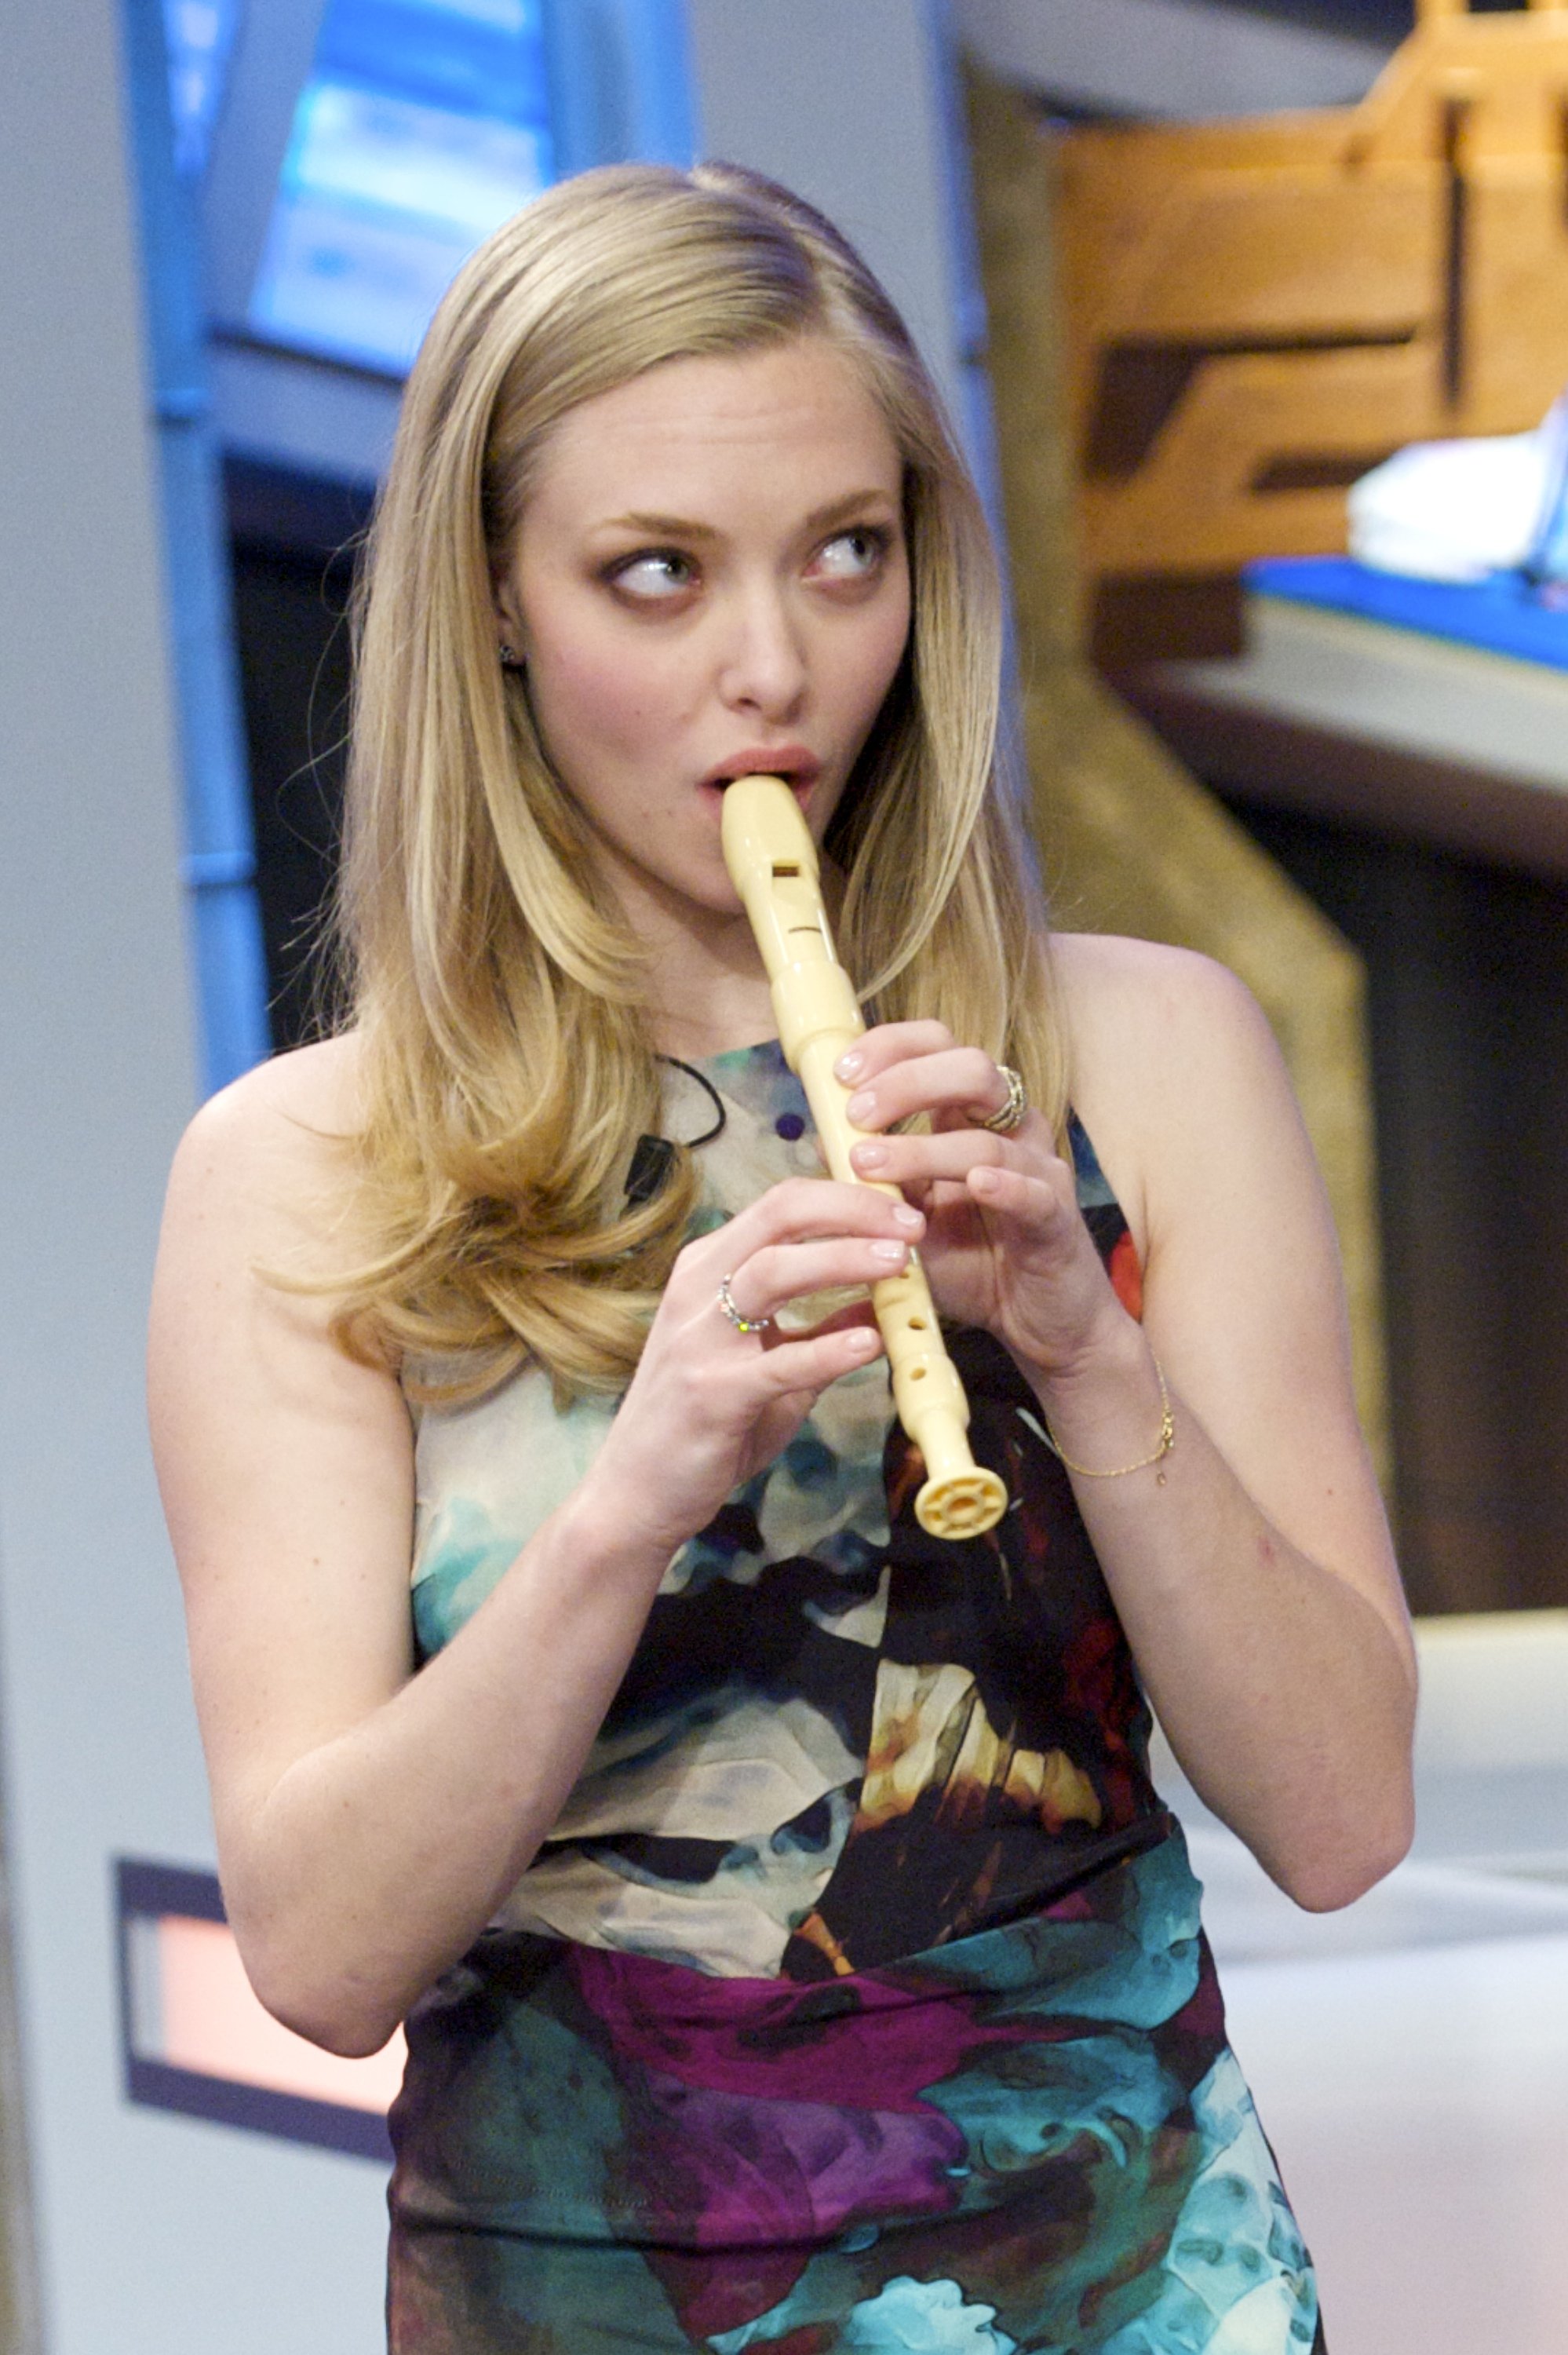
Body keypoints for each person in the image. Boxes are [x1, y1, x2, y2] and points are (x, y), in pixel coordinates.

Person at [148, 162, 1416, 2353]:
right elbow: (321, 1956)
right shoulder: (307, 1172)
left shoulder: (1147, 1052)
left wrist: (1088, 1361)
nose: (776, 671)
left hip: (1133, 2282)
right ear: (497, 599)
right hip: (580, 2294)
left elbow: (1340, 1818)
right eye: (658, 574)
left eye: (848, 553)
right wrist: (630, 1499)